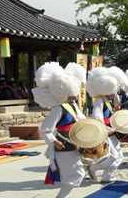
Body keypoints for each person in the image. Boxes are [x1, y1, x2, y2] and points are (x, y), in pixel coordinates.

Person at [32, 62, 87, 198]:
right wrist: (54, 141)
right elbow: (45, 129)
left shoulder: (72, 106)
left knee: (76, 174)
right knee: (75, 175)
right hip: (63, 145)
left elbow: (81, 119)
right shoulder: (58, 108)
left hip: (73, 142)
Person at [86, 66, 128, 184]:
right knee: (113, 156)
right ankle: (92, 168)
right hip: (106, 133)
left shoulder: (106, 101)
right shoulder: (99, 101)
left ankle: (106, 177)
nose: (116, 92)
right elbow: (97, 117)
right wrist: (107, 130)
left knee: (119, 156)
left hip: (112, 132)